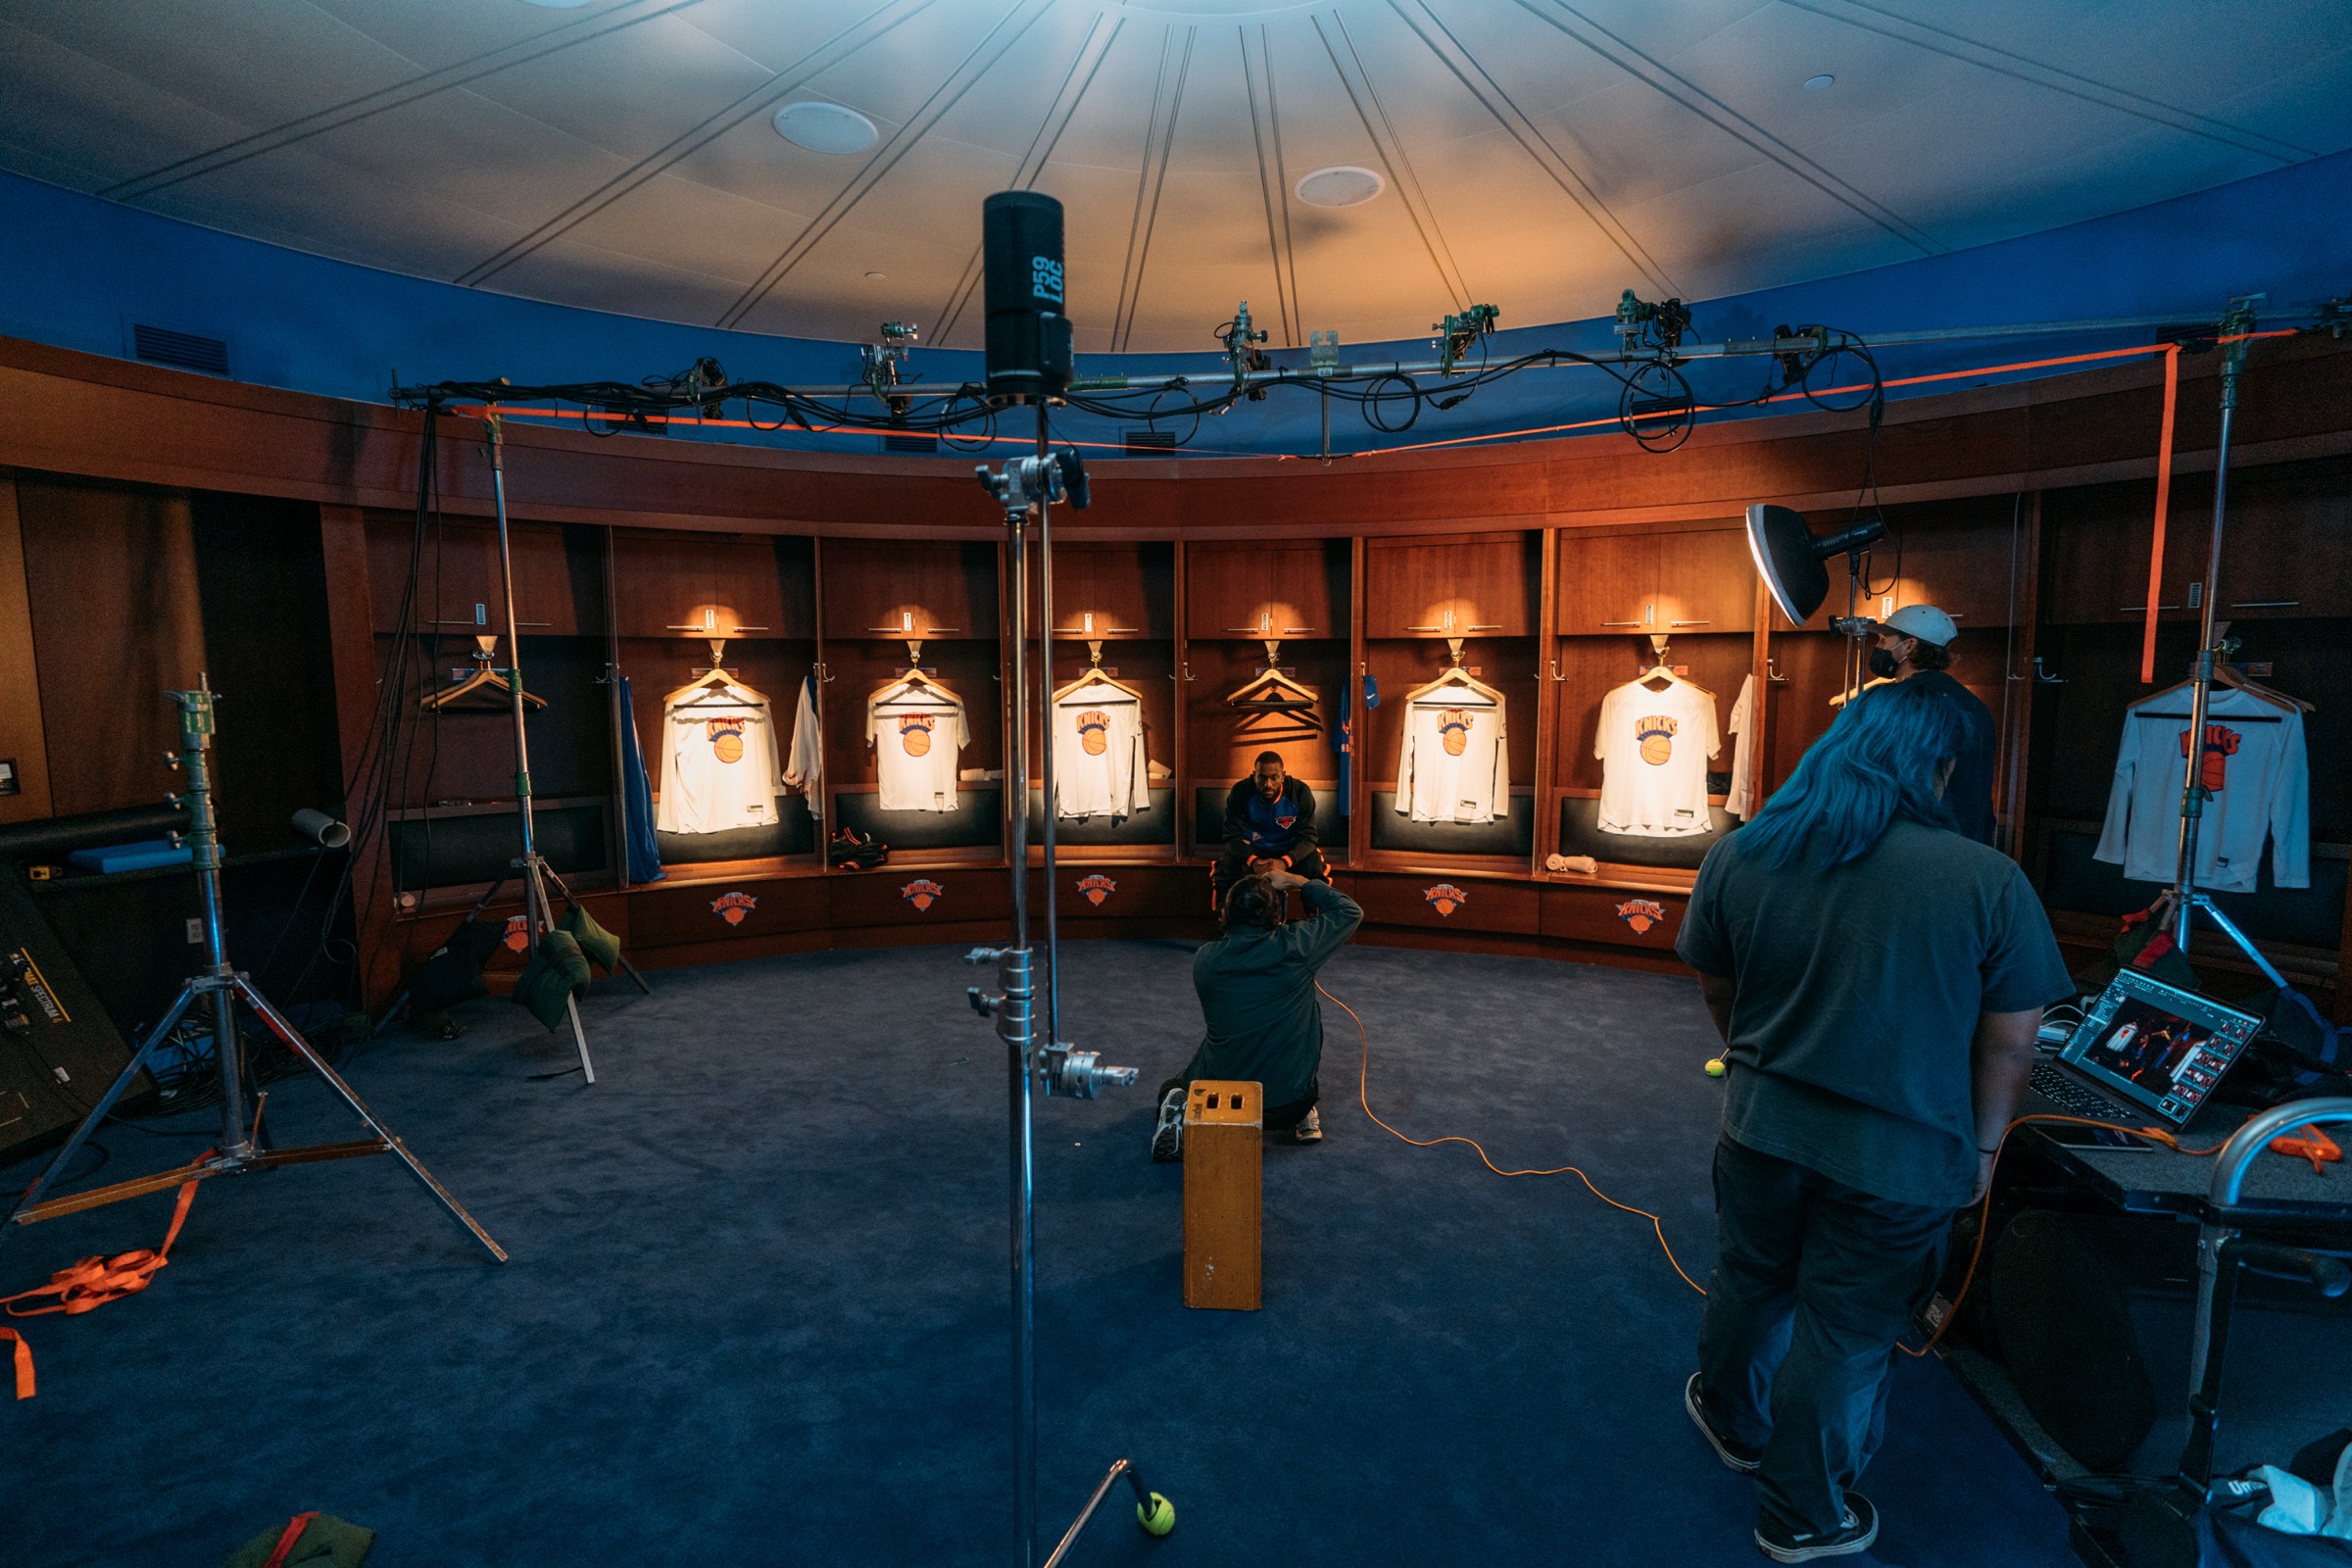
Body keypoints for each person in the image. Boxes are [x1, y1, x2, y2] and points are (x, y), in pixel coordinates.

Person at [1674, 678, 2073, 1563]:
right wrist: (1982, 1148)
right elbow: (2010, 1047)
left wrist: (1760, 1058)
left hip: (1759, 1126)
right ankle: (1803, 1515)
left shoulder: (1743, 854)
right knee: (1847, 1329)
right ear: (1942, 765)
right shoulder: (1987, 879)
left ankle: (1731, 1422)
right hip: (1900, 1157)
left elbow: (1715, 982)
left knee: (1750, 1275)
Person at [1152, 866, 1361, 1160]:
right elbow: (1350, 911)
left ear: (1224, 914)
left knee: (1174, 1085)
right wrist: (1297, 881)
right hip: (1287, 1106)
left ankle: (1179, 1110)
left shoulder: (1205, 961)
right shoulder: (1298, 946)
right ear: (1278, 916)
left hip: (1220, 1099)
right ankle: (1304, 1115)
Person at [1867, 604, 1998, 845]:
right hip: (1968, 841)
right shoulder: (1974, 705)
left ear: (1909, 646)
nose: (1879, 646)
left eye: (1885, 639)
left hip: (1921, 839)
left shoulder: (1905, 700)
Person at [1213, 752, 1328, 909]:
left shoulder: (1300, 792)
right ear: (1254, 776)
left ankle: (1317, 918)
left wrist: (1284, 862)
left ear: (1283, 776)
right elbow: (1231, 837)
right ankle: (1226, 920)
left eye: (1274, 777)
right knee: (1226, 866)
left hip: (1289, 852)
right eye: (1262, 777)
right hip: (1254, 852)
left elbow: (1308, 838)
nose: (1267, 784)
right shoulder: (1241, 791)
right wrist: (1253, 861)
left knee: (1315, 865)